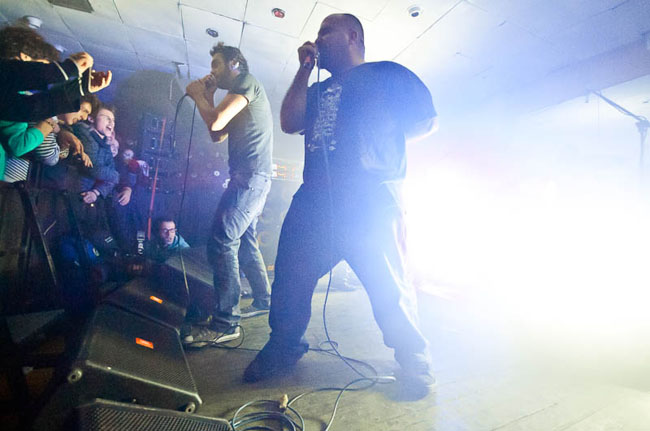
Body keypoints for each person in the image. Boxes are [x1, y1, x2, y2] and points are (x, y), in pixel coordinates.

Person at [243, 14, 439, 399]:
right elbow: (289, 122)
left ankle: (413, 356)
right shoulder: (317, 89)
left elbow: (426, 121)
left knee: (389, 283)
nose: (317, 39)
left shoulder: (387, 74)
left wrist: (380, 147)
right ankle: (284, 345)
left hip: (371, 198)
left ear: (352, 36)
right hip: (316, 200)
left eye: (325, 32)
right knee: (291, 275)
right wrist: (304, 68)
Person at [182, 42, 273, 346]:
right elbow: (217, 134)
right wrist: (206, 97)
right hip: (252, 178)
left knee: (222, 241)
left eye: (216, 64)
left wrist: (197, 94)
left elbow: (216, 121)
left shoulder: (246, 82)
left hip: (250, 178)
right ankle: (263, 300)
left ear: (235, 63)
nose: (212, 71)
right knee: (244, 239)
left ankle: (226, 322)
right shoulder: (236, 95)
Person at [0, 26, 111, 122]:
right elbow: (22, 73)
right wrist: (65, 70)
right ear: (24, 58)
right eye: (45, 66)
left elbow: (30, 109)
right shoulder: (7, 71)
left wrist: (80, 88)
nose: (47, 79)